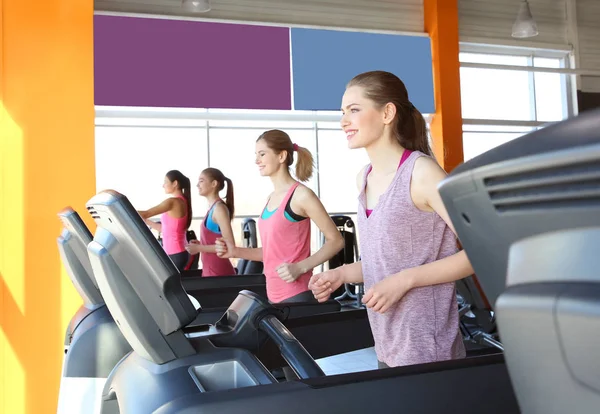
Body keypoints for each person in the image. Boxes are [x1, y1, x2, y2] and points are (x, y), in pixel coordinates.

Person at [309, 70, 474, 368]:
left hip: (429, 352)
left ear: (387, 113)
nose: (344, 121)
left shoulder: (423, 174)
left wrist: (405, 281)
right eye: (343, 112)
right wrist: (341, 275)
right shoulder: (364, 179)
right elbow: (386, 259)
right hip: (387, 345)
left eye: (354, 110)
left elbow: (479, 253)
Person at [215, 129, 344, 303]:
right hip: (272, 293)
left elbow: (336, 240)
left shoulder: (301, 195)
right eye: (256, 154)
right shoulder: (271, 198)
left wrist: (300, 267)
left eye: (262, 154)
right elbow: (271, 253)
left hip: (297, 293)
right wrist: (235, 251)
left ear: (281, 156)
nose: (256, 160)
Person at [185, 168, 236, 277]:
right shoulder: (213, 208)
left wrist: (199, 248)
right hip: (211, 270)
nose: (197, 185)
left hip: (219, 273)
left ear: (214, 184)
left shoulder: (219, 209)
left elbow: (229, 245)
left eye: (201, 181)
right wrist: (201, 244)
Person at [138, 170, 192, 271]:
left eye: (165, 182)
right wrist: (147, 221)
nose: (163, 185)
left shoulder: (173, 202)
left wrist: (122, 209)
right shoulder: (182, 201)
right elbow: (165, 229)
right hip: (177, 252)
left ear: (175, 183)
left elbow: (146, 213)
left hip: (175, 253)